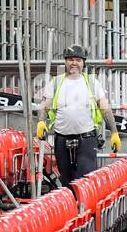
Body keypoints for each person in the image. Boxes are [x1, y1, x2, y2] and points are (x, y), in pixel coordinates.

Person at [35, 44, 121, 187]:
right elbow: (44, 105)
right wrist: (41, 121)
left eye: (78, 60)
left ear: (83, 63)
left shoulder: (92, 83)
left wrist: (114, 132)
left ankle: (83, 202)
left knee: (84, 181)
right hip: (61, 139)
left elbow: (105, 108)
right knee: (66, 182)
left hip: (86, 140)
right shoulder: (56, 83)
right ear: (65, 62)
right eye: (70, 59)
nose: (74, 63)